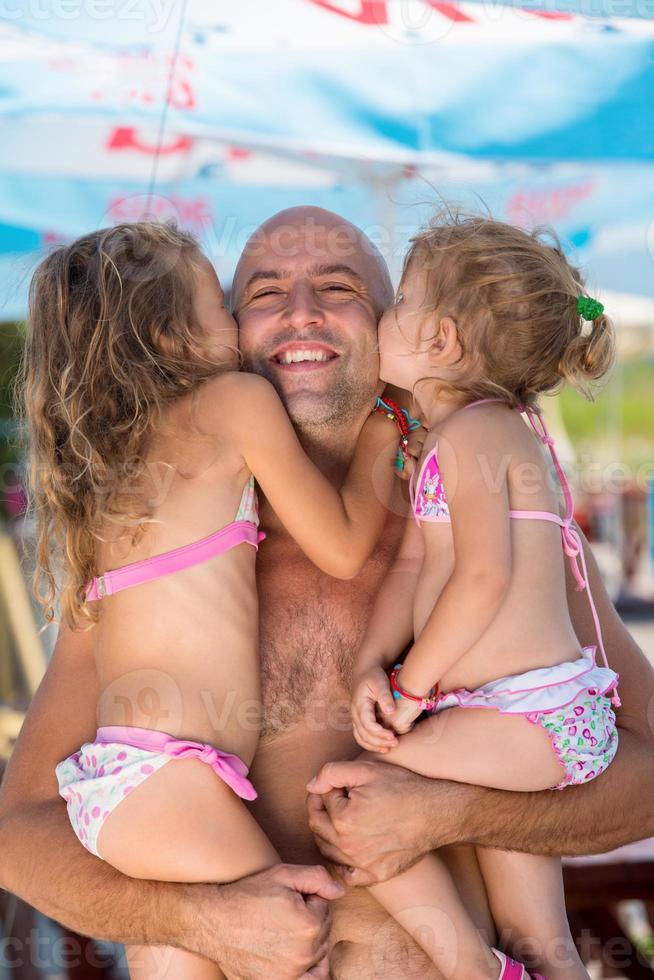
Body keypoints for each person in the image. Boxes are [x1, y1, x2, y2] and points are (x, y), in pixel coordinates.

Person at [1, 207, 653, 980]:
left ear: (397, 323)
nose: (301, 310)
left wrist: (459, 811)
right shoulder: (156, 535)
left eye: (339, 286)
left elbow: (645, 771)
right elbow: (19, 834)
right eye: (264, 292)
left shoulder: (483, 513)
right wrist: (198, 919)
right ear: (218, 331)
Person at [18, 219, 402, 980]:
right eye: (229, 304)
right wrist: (387, 431)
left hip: (129, 784)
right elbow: (345, 544)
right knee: (298, 944)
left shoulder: (120, 477)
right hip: (172, 781)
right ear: (170, 335)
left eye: (338, 288)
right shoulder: (231, 405)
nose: (254, 321)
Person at [347, 214, 620, 980]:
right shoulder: (479, 434)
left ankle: (472, 968)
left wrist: (407, 688)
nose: (382, 313)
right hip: (532, 716)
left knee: (351, 806)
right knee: (543, 940)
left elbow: (482, 579)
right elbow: (412, 569)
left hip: (525, 717)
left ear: (442, 341)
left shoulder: (472, 435)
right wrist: (369, 661)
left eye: (399, 299)